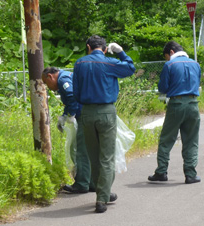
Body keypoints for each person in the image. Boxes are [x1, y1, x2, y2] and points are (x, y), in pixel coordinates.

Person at [72, 35, 136, 213]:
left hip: (86, 112)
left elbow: (75, 91)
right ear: (105, 49)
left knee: (93, 157)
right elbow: (131, 68)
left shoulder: (79, 64)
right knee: (106, 157)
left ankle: (104, 193)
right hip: (107, 112)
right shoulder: (109, 63)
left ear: (88, 47)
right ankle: (102, 198)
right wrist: (121, 52)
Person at [148, 41, 201, 184]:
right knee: (191, 140)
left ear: (171, 52)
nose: (167, 59)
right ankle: (190, 174)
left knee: (166, 139)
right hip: (193, 103)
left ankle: (161, 172)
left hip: (176, 104)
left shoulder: (169, 65)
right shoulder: (195, 64)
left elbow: (163, 87)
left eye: (166, 56)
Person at [42, 67, 95, 193]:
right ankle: (92, 182)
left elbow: (72, 97)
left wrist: (70, 114)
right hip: (91, 113)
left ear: (50, 76)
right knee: (90, 150)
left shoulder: (62, 79)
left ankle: (82, 184)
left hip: (84, 115)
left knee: (80, 151)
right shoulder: (66, 76)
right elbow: (69, 101)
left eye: (46, 83)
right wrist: (65, 115)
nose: (48, 87)